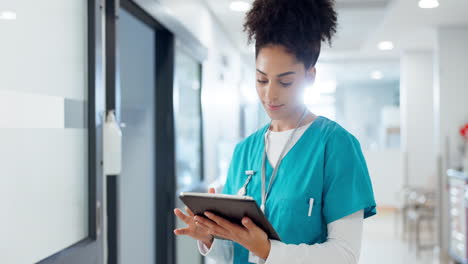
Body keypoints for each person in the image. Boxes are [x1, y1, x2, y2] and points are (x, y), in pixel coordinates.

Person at [173, 0, 377, 263]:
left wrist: (268, 251)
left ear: (310, 77)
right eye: (261, 79)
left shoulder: (335, 146)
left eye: (285, 81)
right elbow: (235, 253)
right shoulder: (245, 151)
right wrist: (210, 237)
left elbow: (344, 255)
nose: (270, 94)